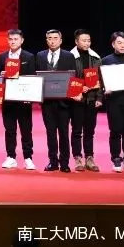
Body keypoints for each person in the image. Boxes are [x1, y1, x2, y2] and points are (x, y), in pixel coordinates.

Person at [35, 29, 76, 172]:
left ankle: (64, 163)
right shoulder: (40, 55)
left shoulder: (69, 56)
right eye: (50, 38)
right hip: (47, 102)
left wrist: (74, 94)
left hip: (64, 102)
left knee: (64, 133)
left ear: (61, 40)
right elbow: (36, 77)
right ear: (46, 40)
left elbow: (74, 77)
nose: (52, 41)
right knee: (50, 132)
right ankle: (53, 161)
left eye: (55, 38)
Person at [0, 28, 35, 170]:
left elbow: (32, 78)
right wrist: (1, 75)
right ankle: (11, 157)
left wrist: (30, 97)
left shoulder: (29, 57)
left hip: (24, 100)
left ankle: (28, 158)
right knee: (10, 130)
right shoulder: (2, 57)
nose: (13, 42)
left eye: (16, 39)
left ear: (22, 40)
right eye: (10, 39)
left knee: (26, 130)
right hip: (8, 100)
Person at [101, 31, 124, 172]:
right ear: (113, 44)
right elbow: (101, 80)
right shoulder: (106, 61)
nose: (123, 45)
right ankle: (116, 159)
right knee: (115, 130)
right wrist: (105, 89)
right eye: (119, 43)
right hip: (114, 101)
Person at [70, 28, 102, 172]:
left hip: (91, 99)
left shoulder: (96, 58)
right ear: (76, 42)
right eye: (84, 40)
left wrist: (99, 97)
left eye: (88, 40)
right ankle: (77, 157)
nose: (87, 43)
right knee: (77, 130)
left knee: (90, 131)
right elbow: (69, 78)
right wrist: (78, 89)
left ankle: (89, 157)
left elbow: (100, 79)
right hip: (76, 99)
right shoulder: (70, 57)